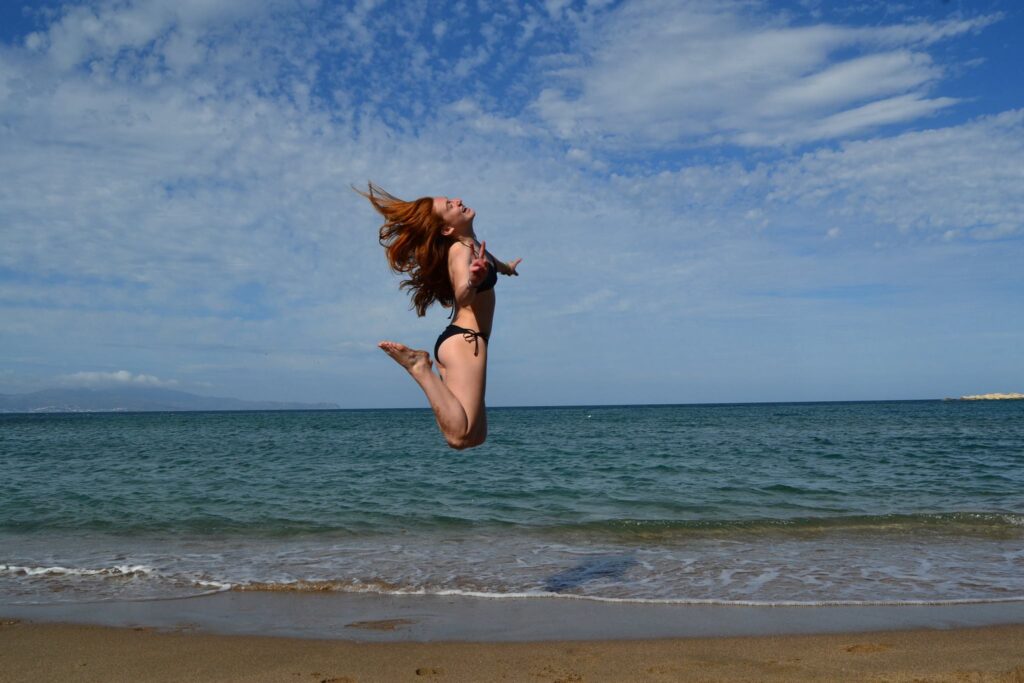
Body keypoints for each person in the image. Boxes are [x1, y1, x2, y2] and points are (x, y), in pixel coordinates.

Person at [359, 183, 521, 449]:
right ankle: (419, 367)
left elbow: (497, 264)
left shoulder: (476, 247)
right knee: (459, 437)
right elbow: (462, 294)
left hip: (467, 341)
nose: (458, 200)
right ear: (447, 229)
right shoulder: (460, 250)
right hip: (465, 342)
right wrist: (472, 281)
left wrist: (508, 268)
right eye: (449, 205)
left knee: (477, 437)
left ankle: (424, 369)